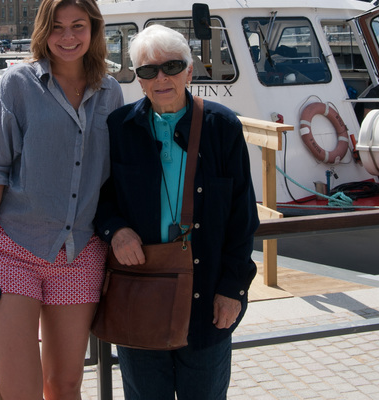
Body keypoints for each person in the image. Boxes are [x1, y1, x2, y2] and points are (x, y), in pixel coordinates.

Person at [0, 0, 124, 400]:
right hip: (16, 249)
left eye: (78, 26)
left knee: (66, 384)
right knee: (20, 390)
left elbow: (114, 178)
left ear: (93, 28)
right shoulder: (17, 84)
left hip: (80, 252)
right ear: (43, 30)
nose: (67, 37)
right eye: (57, 28)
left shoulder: (111, 92)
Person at [95, 24, 259, 400]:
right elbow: (100, 200)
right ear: (138, 80)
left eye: (171, 67)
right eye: (148, 71)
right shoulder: (119, 129)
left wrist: (233, 290)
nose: (161, 78)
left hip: (207, 297)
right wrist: (116, 230)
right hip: (140, 292)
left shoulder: (222, 127)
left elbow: (242, 217)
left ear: (189, 70)